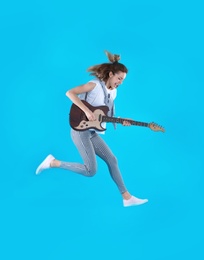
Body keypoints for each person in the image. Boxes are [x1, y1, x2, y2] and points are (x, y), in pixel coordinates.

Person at [36, 50, 148, 207]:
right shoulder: (94, 85)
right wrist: (87, 111)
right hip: (80, 130)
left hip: (92, 131)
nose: (120, 82)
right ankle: (53, 162)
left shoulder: (113, 92)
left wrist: (122, 120)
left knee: (112, 160)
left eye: (123, 80)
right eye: (119, 78)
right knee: (90, 171)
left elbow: (101, 114)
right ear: (110, 74)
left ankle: (127, 197)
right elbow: (70, 93)